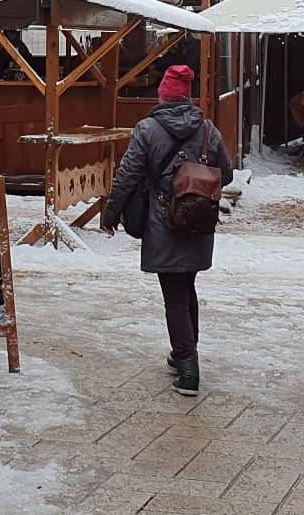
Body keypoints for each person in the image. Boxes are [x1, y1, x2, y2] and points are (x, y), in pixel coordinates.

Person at [99, 65, 234, 397]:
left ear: (163, 95)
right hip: (199, 222)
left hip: (164, 222)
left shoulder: (147, 130)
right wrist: (195, 180)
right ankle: (183, 353)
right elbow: (227, 175)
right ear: (186, 96)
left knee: (174, 294)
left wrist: (110, 214)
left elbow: (127, 175)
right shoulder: (207, 130)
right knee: (186, 287)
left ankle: (188, 368)